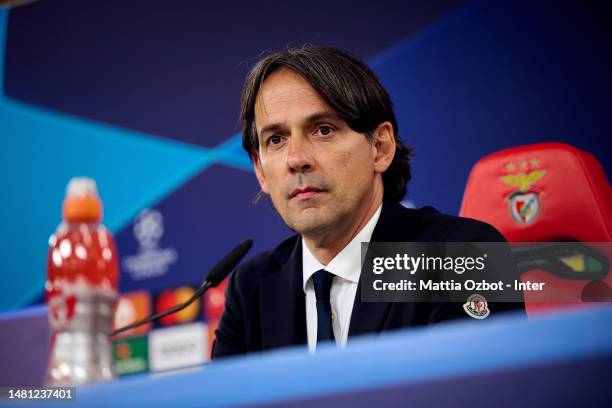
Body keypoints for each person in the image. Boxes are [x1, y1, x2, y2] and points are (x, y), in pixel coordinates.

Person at [212, 46, 524, 358]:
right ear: (260, 171)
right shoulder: (251, 289)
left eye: (323, 130)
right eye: (276, 140)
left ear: (380, 147)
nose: (296, 159)